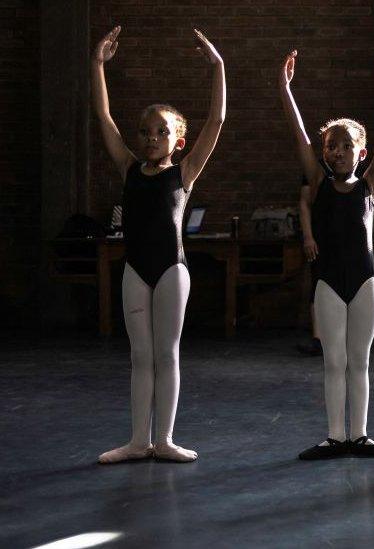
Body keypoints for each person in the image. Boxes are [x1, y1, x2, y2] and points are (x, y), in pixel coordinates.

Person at [92, 26, 226, 463]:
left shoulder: (183, 174)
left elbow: (217, 121)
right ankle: (136, 441)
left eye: (161, 131)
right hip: (136, 268)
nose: (151, 137)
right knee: (139, 355)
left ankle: (164, 439)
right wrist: (97, 66)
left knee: (166, 354)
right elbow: (105, 119)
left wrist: (218, 67)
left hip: (172, 270)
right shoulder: (129, 168)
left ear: (178, 141)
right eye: (146, 131)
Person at [279, 50, 374, 459]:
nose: (337, 152)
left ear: (360, 154)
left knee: (360, 362)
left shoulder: (369, 186)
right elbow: (298, 133)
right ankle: (336, 436)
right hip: (329, 283)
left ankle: (360, 434)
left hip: (364, 282)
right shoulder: (316, 182)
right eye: (331, 146)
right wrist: (285, 88)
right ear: (324, 151)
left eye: (346, 146)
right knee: (334, 361)